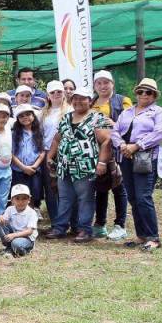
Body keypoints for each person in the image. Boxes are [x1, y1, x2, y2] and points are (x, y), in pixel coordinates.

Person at [46, 87, 113, 243]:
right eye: (75, 98)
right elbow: (57, 139)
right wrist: (50, 156)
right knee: (64, 198)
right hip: (64, 166)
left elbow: (107, 141)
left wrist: (102, 162)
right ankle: (60, 227)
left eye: (83, 98)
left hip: (86, 167)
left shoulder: (97, 118)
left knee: (85, 198)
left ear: (90, 101)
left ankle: (84, 229)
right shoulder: (66, 118)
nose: (78, 101)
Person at [110, 78, 162, 251]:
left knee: (143, 196)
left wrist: (137, 145)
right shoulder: (127, 112)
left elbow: (159, 133)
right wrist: (121, 145)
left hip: (145, 156)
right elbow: (115, 131)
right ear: (136, 93)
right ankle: (141, 235)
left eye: (148, 92)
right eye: (141, 91)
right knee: (133, 197)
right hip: (126, 155)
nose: (144, 94)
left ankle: (153, 237)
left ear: (154, 95)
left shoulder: (159, 112)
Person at [90, 70, 131, 239]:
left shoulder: (122, 101)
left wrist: (115, 124)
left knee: (118, 186)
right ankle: (100, 224)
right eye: (99, 83)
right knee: (100, 187)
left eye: (106, 82)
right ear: (94, 86)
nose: (102, 86)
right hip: (96, 152)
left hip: (117, 151)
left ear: (112, 83)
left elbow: (131, 123)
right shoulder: (91, 102)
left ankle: (120, 225)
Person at [40, 81, 69, 228]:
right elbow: (40, 134)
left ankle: (66, 220)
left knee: (64, 188)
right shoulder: (43, 113)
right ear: (48, 95)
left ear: (64, 93)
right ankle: (55, 222)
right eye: (53, 92)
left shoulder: (70, 110)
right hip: (47, 153)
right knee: (50, 188)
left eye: (59, 91)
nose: (56, 94)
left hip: (65, 153)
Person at [10, 104, 44, 208]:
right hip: (19, 170)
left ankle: (32, 212)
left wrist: (35, 165)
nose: (25, 117)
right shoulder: (14, 133)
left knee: (34, 193)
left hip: (35, 169)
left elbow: (42, 151)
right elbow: (11, 154)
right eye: (21, 116)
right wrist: (23, 167)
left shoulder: (39, 132)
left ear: (33, 116)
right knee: (20, 193)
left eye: (28, 114)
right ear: (17, 119)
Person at [0, 184, 39, 256]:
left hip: (26, 238)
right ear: (12, 200)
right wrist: (0, 218)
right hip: (13, 235)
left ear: (29, 200)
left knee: (16, 243)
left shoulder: (32, 213)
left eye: (24, 198)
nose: (21, 201)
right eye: (17, 198)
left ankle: (25, 250)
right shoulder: (10, 209)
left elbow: (29, 231)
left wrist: (14, 235)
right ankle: (9, 246)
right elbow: (4, 221)